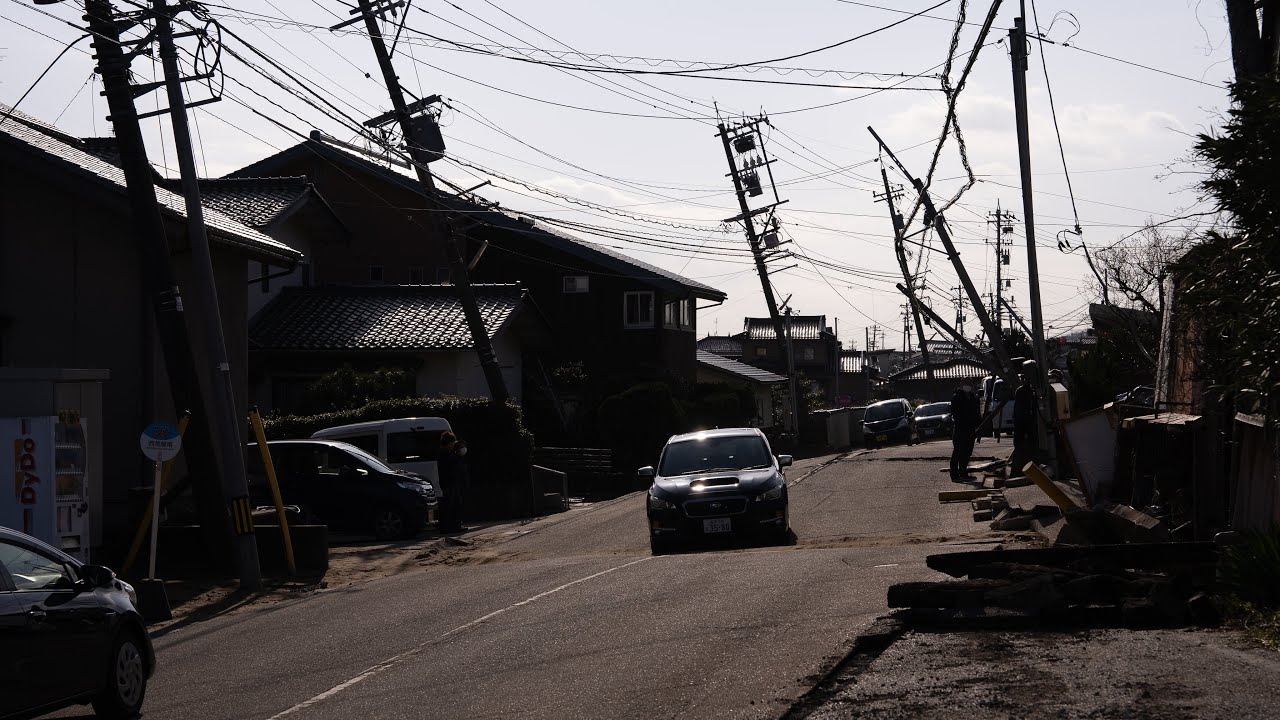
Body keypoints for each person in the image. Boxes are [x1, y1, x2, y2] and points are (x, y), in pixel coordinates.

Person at [436, 431, 471, 533]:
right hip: (450, 483)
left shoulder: (444, 454)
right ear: (449, 443)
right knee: (453, 505)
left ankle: (451, 526)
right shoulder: (446, 455)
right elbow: (454, 468)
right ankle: (452, 526)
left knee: (451, 505)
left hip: (448, 483)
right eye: (452, 443)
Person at [949, 382, 980, 482]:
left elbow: (976, 412)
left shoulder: (973, 397)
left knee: (967, 451)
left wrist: (977, 424)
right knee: (958, 451)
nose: (968, 386)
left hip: (970, 429)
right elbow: (954, 412)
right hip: (960, 428)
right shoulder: (957, 397)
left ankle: (963, 472)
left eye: (969, 384)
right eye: (966, 384)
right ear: (961, 385)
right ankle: (954, 475)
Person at [1013, 360, 1039, 464]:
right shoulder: (1021, 391)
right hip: (1022, 423)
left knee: (1031, 444)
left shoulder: (1036, 391)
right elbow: (1018, 410)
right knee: (1021, 445)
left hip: (1029, 423)